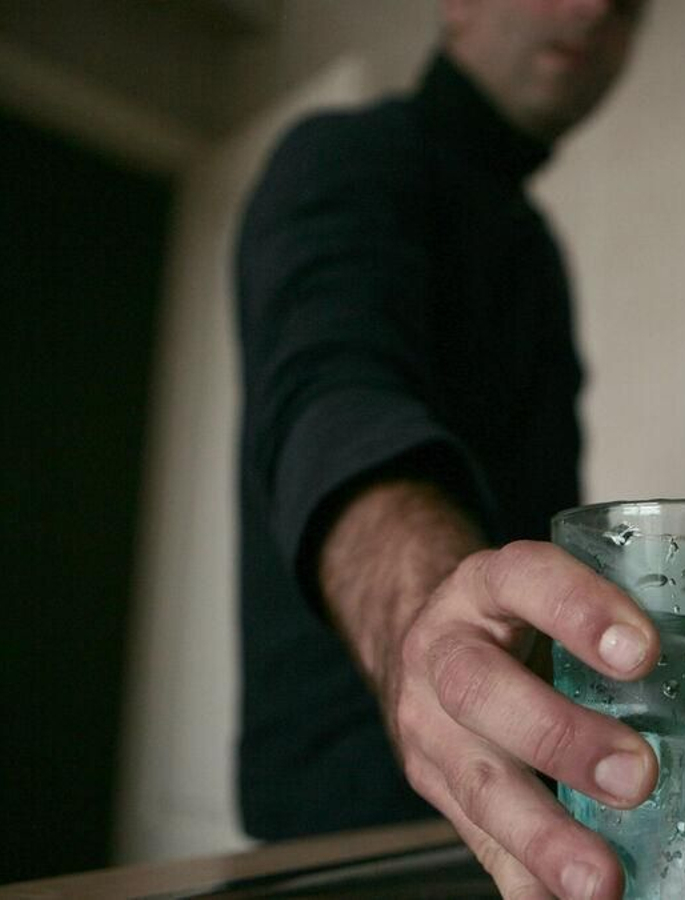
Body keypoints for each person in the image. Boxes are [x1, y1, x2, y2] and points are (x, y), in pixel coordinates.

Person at [234, 2, 656, 897]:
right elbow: (332, 396)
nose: (596, 10)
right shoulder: (341, 157)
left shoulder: (534, 249)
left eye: (630, 2)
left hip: (523, 824)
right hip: (346, 840)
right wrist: (432, 630)